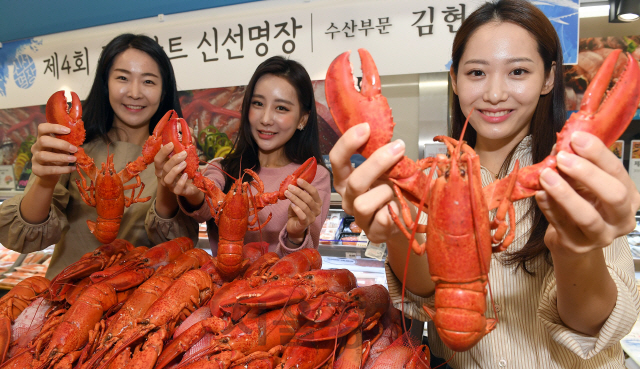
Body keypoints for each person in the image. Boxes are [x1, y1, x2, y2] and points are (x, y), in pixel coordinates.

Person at [328, 1, 640, 367]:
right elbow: (424, 289)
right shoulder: (427, 178)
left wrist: (575, 250)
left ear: (550, 77)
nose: (494, 93)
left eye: (518, 71)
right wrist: (396, 230)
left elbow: (593, 324)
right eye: (476, 73)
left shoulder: (577, 175)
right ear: (454, 80)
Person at [0, 34, 199, 280]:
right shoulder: (73, 147)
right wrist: (45, 179)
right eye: (123, 78)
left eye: (148, 81)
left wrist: (168, 183)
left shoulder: (173, 153)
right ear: (105, 82)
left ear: (163, 89)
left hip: (137, 297)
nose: (135, 93)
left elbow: (174, 243)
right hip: (67, 288)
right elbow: (24, 239)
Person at [155, 56, 331, 256]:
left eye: (281, 108)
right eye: (257, 103)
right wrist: (193, 192)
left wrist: (296, 234)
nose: (265, 119)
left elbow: (304, 260)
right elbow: (205, 203)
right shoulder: (222, 168)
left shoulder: (315, 177)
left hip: (280, 284)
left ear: (303, 119)